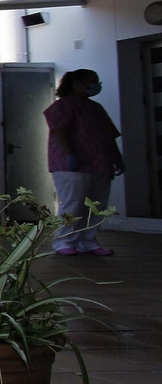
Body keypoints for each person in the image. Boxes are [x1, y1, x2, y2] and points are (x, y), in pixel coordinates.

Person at [45, 68, 124, 256]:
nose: (96, 85)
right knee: (73, 204)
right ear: (77, 84)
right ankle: (64, 241)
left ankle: (88, 241)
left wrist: (117, 158)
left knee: (97, 206)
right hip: (72, 167)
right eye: (92, 81)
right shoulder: (62, 106)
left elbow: (109, 135)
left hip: (100, 163)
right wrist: (70, 155)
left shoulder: (95, 108)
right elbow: (59, 131)